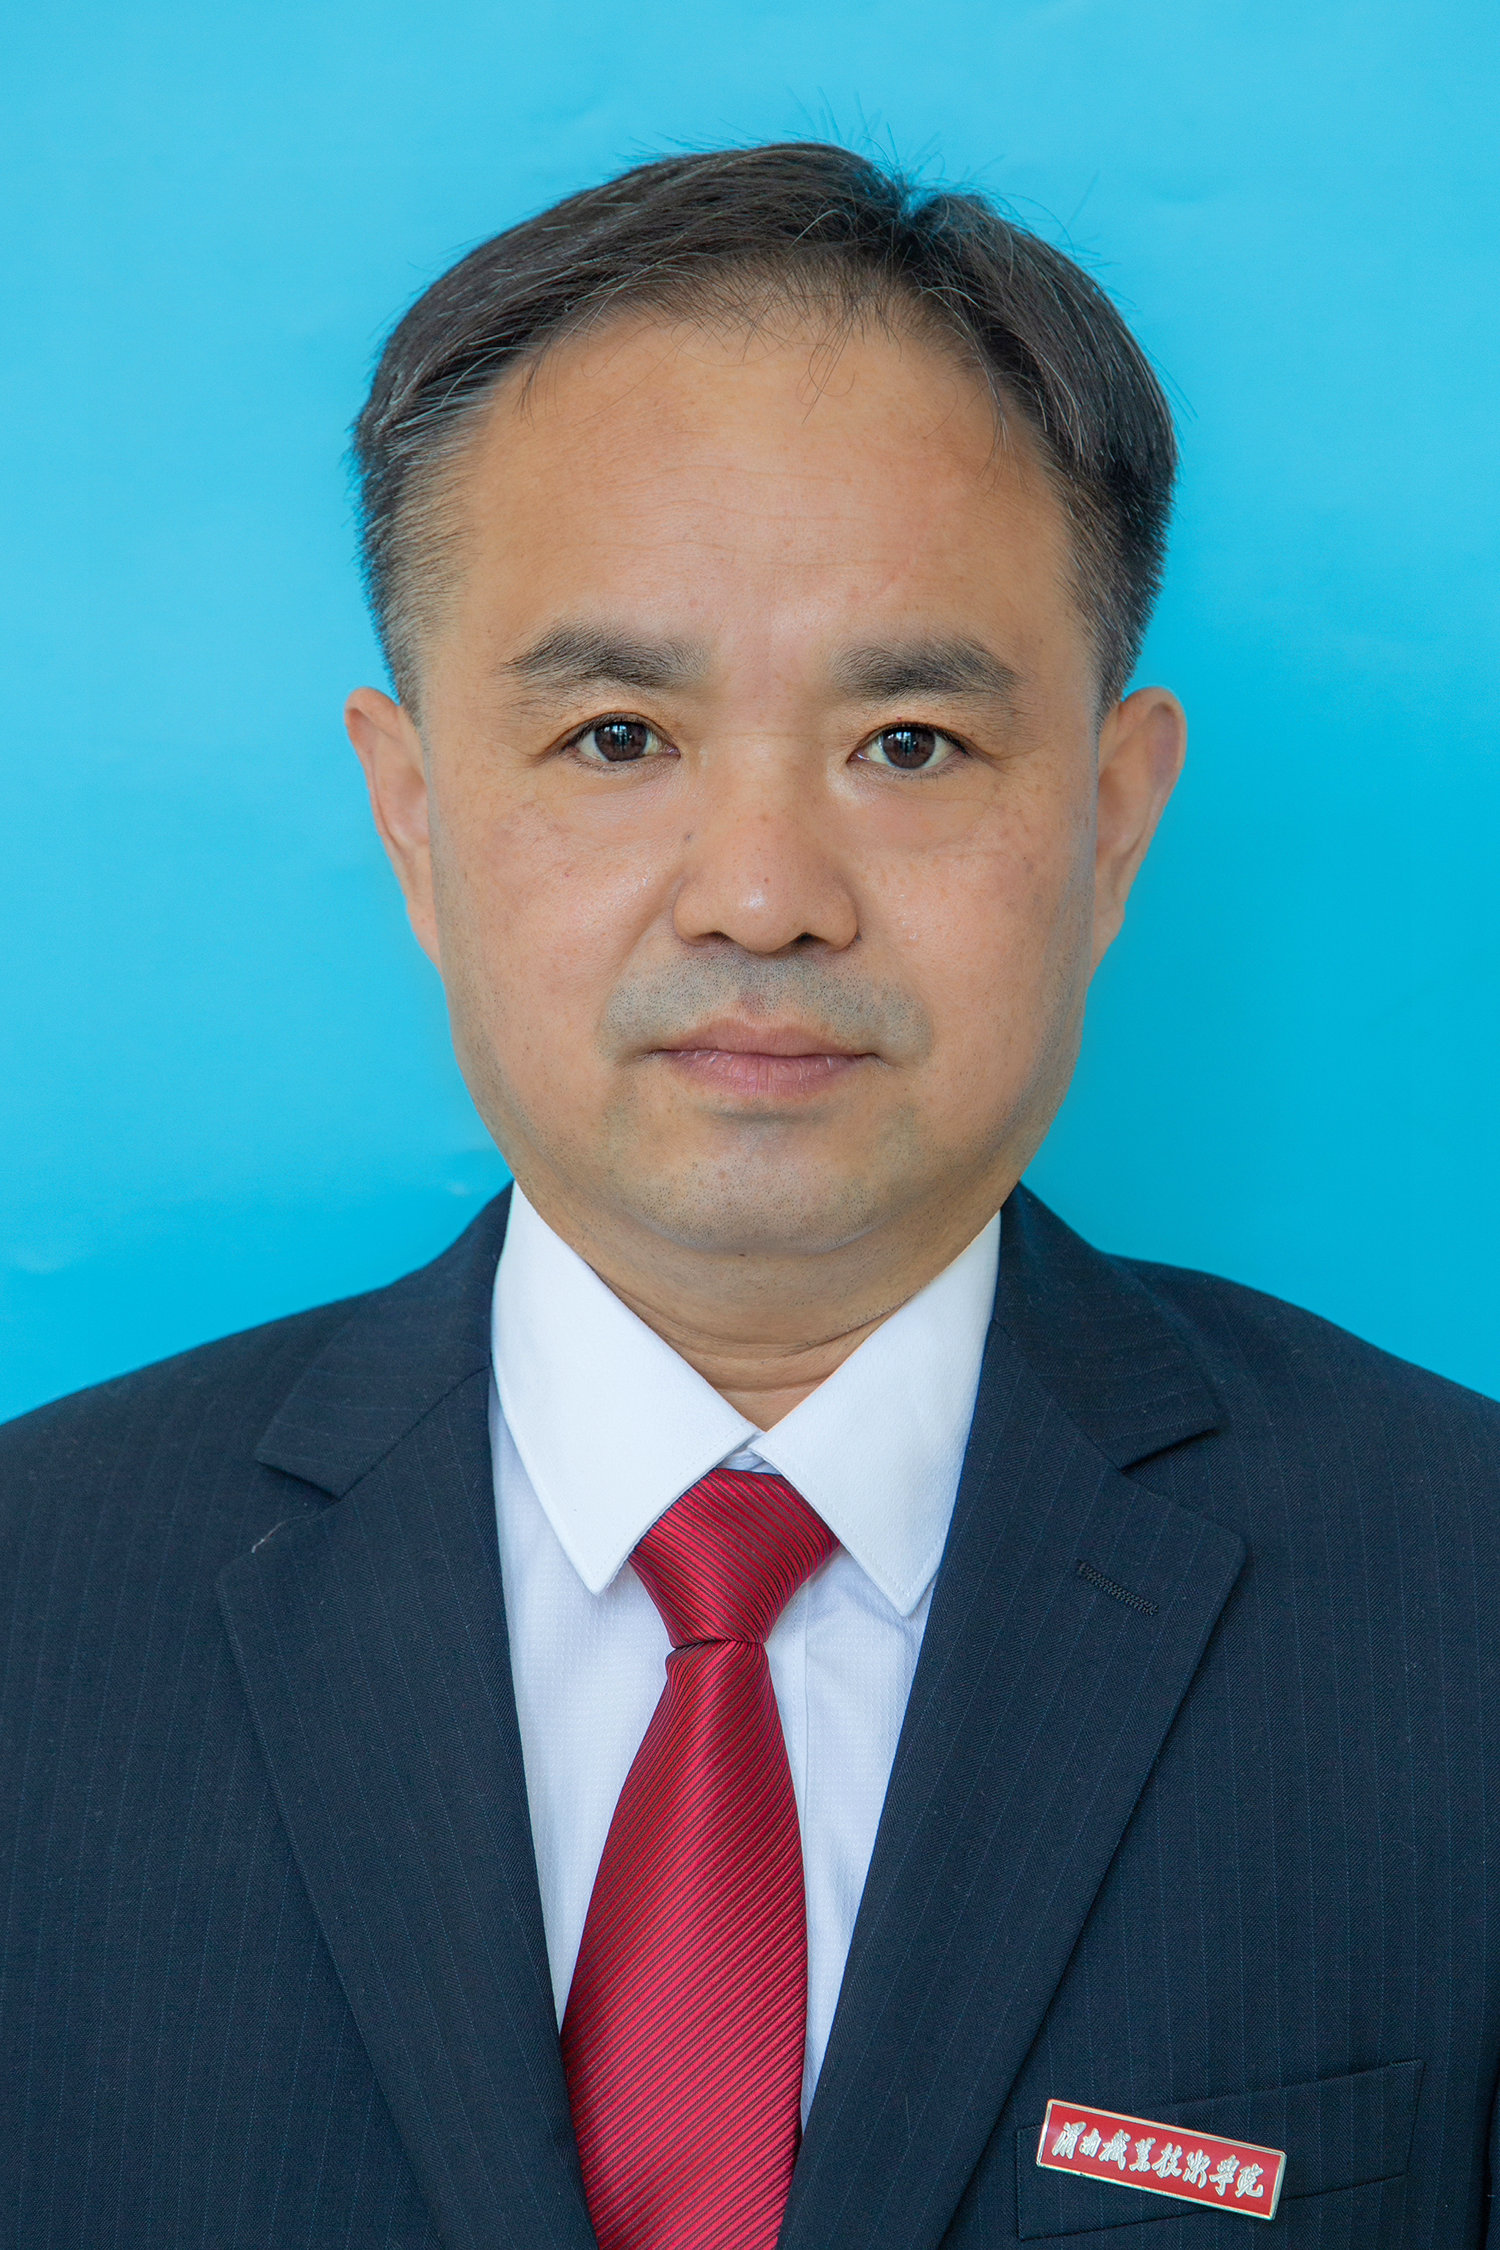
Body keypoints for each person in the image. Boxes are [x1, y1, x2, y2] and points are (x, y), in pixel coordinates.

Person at [1, 141, 1496, 2250]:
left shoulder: (1461, 1612)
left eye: (912, 742)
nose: (766, 897)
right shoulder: (37, 1608)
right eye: (619, 737)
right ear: (414, 821)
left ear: (1112, 820)